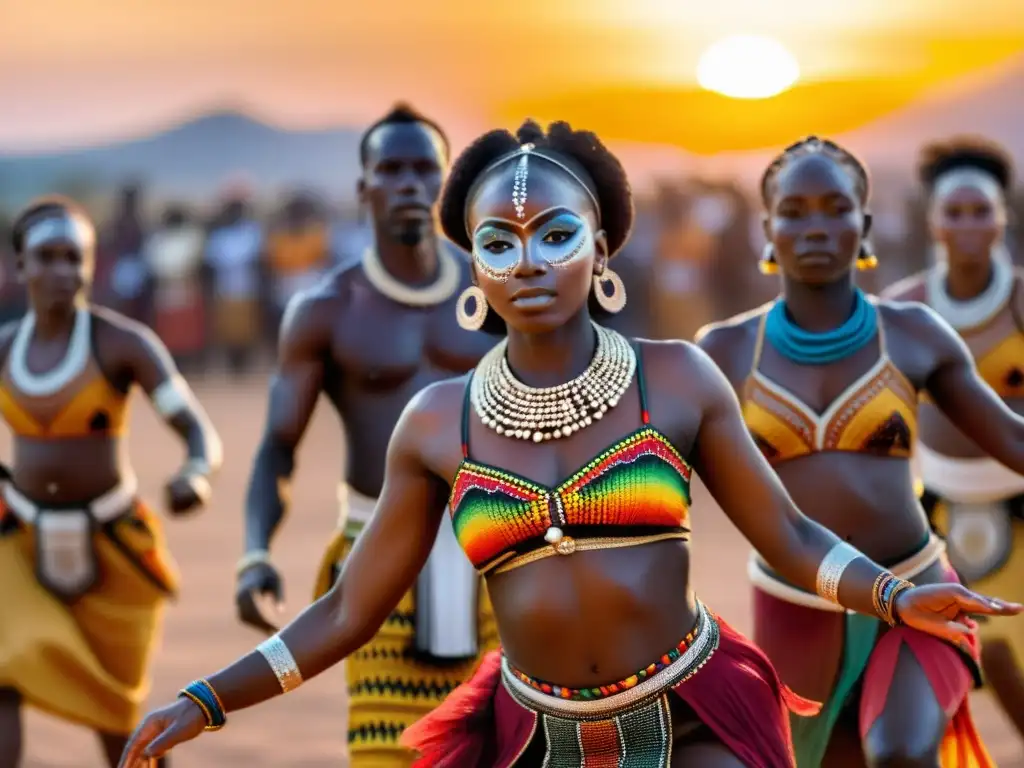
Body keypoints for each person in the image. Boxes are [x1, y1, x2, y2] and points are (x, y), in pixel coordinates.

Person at [117, 121, 1019, 768]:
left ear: (602, 250)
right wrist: (205, 702)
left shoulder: (676, 379)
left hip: (696, 711)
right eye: (497, 243)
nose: (531, 263)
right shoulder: (437, 422)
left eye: (555, 236)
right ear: (472, 266)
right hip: (533, 733)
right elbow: (349, 612)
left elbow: (786, 537)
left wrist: (898, 598)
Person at [696, 136, 1024, 766]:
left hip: (918, 595)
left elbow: (1012, 437)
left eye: (835, 207)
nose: (815, 225)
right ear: (768, 228)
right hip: (795, 611)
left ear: (863, 224)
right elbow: (654, 478)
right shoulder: (724, 352)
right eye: (794, 211)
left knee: (900, 752)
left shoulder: (913, 332)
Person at [233, 103, 499, 766]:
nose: (410, 183)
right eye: (392, 169)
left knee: (507, 749)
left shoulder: (500, 294)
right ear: (364, 188)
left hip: (498, 550)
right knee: (389, 754)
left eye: (424, 169)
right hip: (374, 556)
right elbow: (277, 447)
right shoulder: (326, 309)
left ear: (447, 184)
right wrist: (254, 550)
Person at [0, 196, 222, 767]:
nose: (62, 272)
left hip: (115, 550)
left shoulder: (122, 344)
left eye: (75, 258)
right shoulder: (4, 350)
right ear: (19, 264)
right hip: (18, 545)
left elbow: (198, 430)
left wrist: (195, 473)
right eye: (46, 257)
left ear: (92, 265)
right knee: (4, 675)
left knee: (118, 720)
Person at [882, 136, 1024, 742]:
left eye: (980, 210)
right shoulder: (901, 307)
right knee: (978, 651)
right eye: (954, 211)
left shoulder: (1021, 299)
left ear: (1003, 216)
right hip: (934, 506)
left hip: (1018, 504)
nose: (968, 223)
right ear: (932, 219)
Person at [142, 205, 207, 372]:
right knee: (169, 330)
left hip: (185, 288)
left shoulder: (192, 238)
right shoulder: (157, 241)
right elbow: (153, 265)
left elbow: (196, 263)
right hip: (165, 290)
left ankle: (190, 364)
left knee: (187, 330)